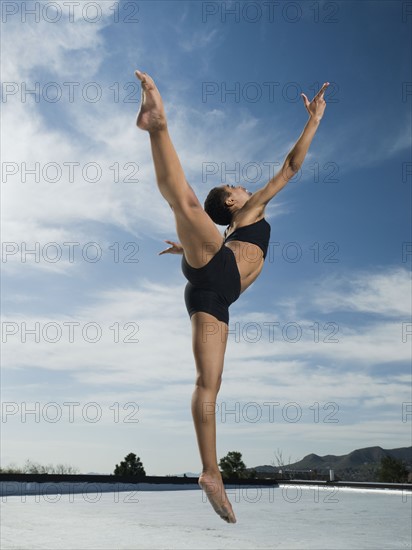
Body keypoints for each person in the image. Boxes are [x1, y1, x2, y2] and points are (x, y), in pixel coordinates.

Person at [134, 69, 329, 523]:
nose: (243, 186)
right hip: (215, 272)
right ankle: (158, 126)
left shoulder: (230, 228)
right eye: (235, 187)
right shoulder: (252, 210)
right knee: (182, 202)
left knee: (210, 385)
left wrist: (185, 247)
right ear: (234, 203)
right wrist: (314, 121)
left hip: (212, 294)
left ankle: (209, 473)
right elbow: (291, 167)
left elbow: (210, 240)